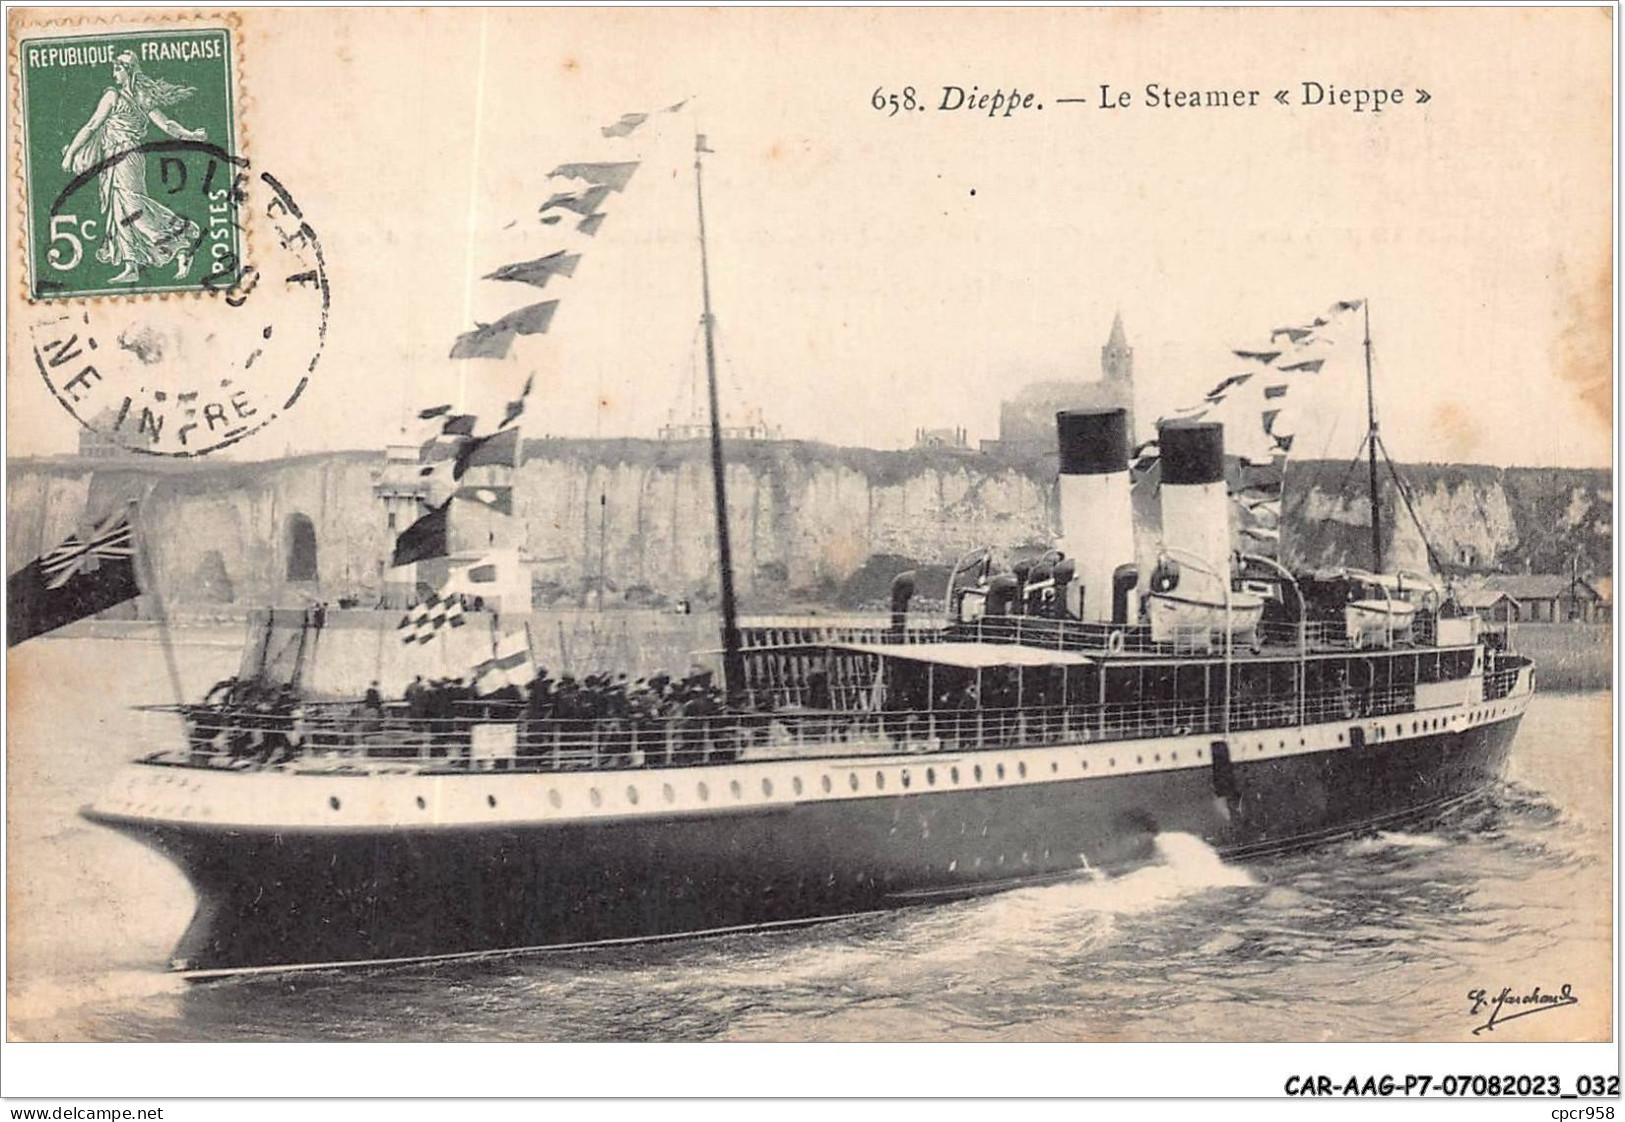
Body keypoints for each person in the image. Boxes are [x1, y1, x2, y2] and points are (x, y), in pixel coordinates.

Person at [58, 52, 208, 284]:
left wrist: (70, 154)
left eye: (117, 69)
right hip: (114, 157)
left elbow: (91, 126)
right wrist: (191, 135)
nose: (113, 73)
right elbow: (166, 125)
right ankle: (132, 265)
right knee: (119, 211)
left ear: (127, 69)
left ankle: (180, 244)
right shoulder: (136, 97)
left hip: (126, 157)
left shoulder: (117, 96)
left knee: (133, 206)